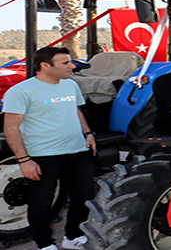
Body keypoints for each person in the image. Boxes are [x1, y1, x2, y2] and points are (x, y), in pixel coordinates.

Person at [3, 47, 97, 250]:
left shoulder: (70, 85)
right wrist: (24, 160)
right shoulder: (21, 91)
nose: (72, 66)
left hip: (78, 152)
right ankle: (44, 244)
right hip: (43, 156)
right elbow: (11, 127)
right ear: (45, 66)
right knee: (41, 203)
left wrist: (88, 134)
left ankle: (72, 237)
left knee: (84, 197)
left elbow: (76, 109)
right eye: (65, 63)